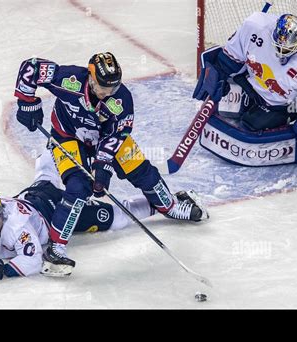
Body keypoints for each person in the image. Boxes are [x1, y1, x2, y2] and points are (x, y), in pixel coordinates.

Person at [14, 52, 209, 276]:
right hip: (67, 138)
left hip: (106, 141)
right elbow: (31, 67)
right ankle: (56, 249)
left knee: (141, 172)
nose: (108, 93)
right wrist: (27, 103)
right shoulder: (69, 80)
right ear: (91, 78)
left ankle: (171, 206)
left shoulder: (121, 100)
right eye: (103, 87)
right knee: (78, 188)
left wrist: (102, 168)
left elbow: (115, 137)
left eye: (113, 87)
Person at [0, 152, 197, 281]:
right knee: (45, 172)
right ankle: (48, 155)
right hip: (34, 196)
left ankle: (160, 205)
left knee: (111, 217)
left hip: (56, 214)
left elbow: (34, 259)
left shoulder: (17, 227)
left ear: (1, 208)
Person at [193, 12, 297, 131]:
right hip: (250, 81)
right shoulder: (255, 26)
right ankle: (248, 101)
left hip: (278, 105)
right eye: (278, 46)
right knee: (223, 111)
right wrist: (218, 75)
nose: (281, 52)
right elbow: (230, 57)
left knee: (249, 125)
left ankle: (284, 116)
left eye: (287, 49)